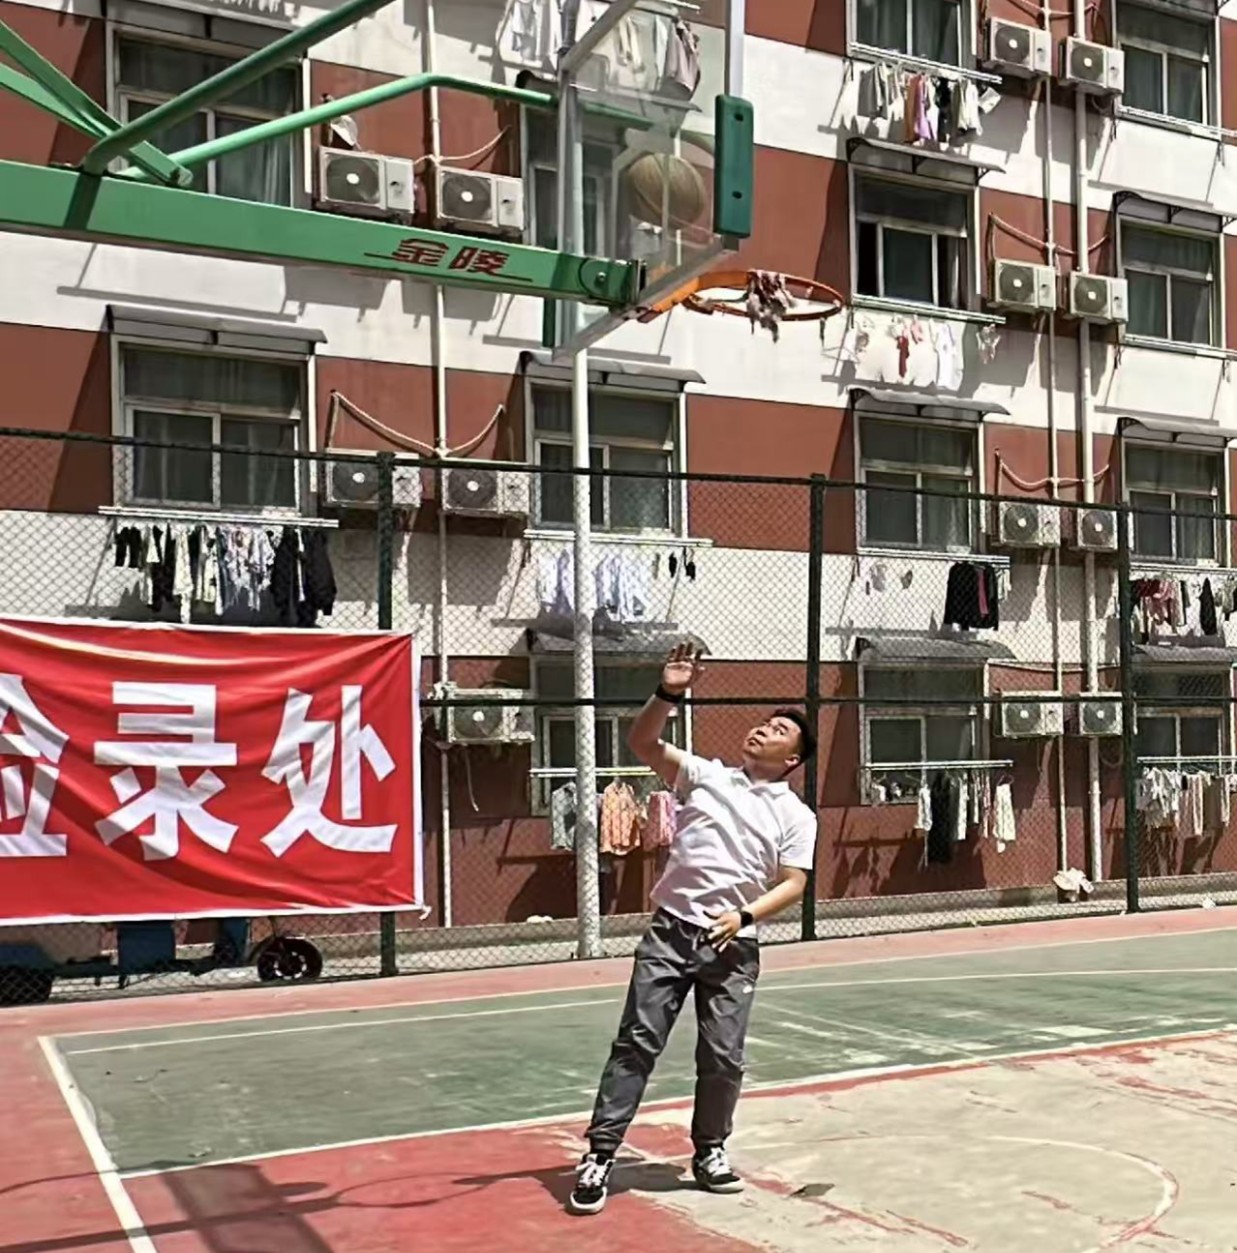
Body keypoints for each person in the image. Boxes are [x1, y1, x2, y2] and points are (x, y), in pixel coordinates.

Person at [568, 642, 818, 1216]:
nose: (763, 729)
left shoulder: (796, 815)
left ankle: (710, 1151)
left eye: (779, 730)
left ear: (792, 760)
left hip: (733, 945)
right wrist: (669, 691)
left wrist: (744, 916)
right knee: (637, 1042)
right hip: (670, 932)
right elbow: (643, 742)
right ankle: (600, 1155)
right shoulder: (706, 775)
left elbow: (793, 883)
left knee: (723, 1056)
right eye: (764, 722)